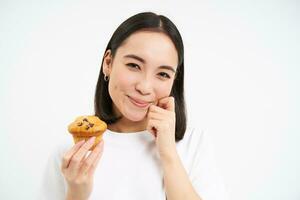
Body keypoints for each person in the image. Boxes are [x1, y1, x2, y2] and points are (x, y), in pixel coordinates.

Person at [38, 12, 227, 200]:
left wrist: (168, 154)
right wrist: (76, 195)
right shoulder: (71, 155)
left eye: (163, 74)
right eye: (134, 65)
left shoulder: (194, 145)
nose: (145, 87)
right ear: (108, 63)